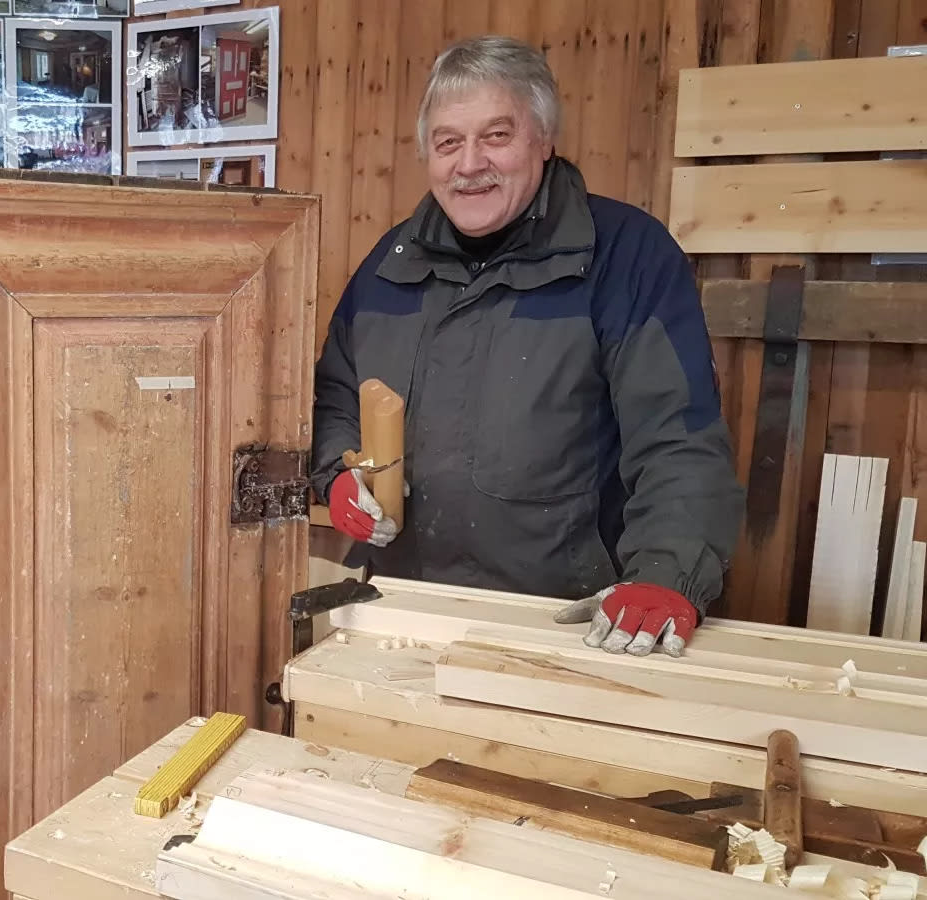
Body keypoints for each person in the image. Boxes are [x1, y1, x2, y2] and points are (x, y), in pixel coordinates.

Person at [311, 36, 745, 659]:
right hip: (405, 615)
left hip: (569, 624)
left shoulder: (627, 257)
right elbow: (337, 399)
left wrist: (665, 572)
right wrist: (337, 475)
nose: (469, 164)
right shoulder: (390, 267)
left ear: (543, 139)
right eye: (448, 142)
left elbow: (678, 439)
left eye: (496, 135)